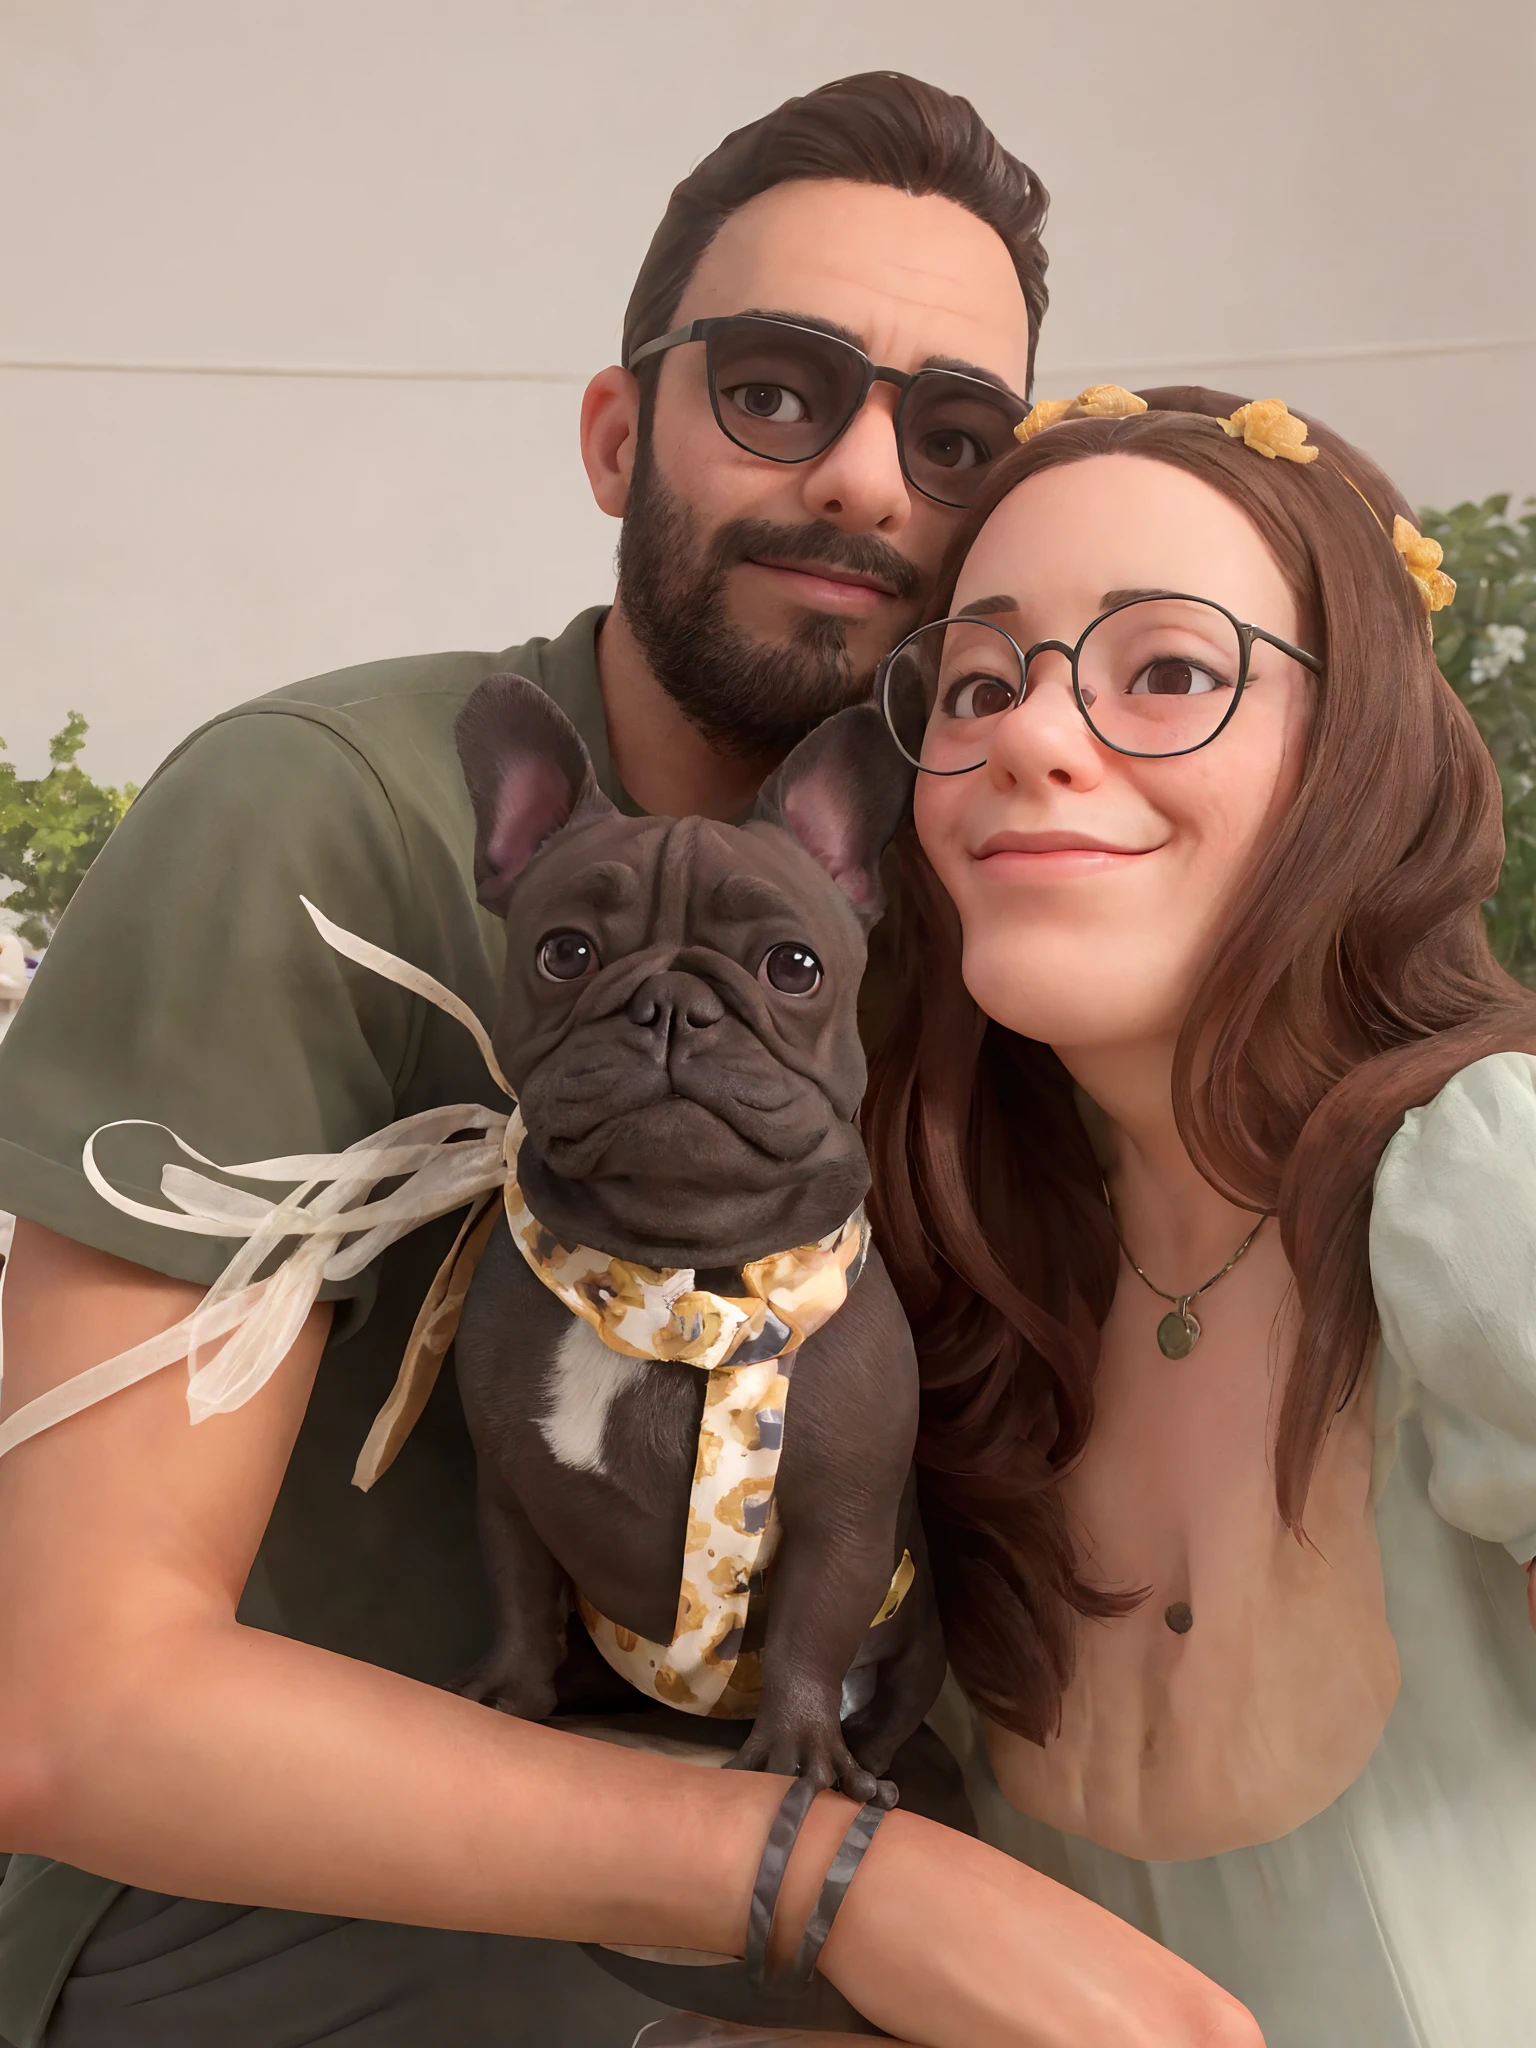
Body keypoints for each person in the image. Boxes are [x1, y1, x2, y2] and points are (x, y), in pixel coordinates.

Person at [0, 73, 1256, 2048]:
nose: (862, 480)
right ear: (617, 434)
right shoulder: (319, 824)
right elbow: (78, 1708)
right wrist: (839, 1879)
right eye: (776, 388)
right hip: (295, 1883)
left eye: (950, 438)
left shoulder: (993, 877)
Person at [865, 381, 1536, 2047]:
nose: (1028, 732)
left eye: (1166, 669)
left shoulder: (1486, 1193)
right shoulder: (941, 1289)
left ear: (1355, 760)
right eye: (975, 680)